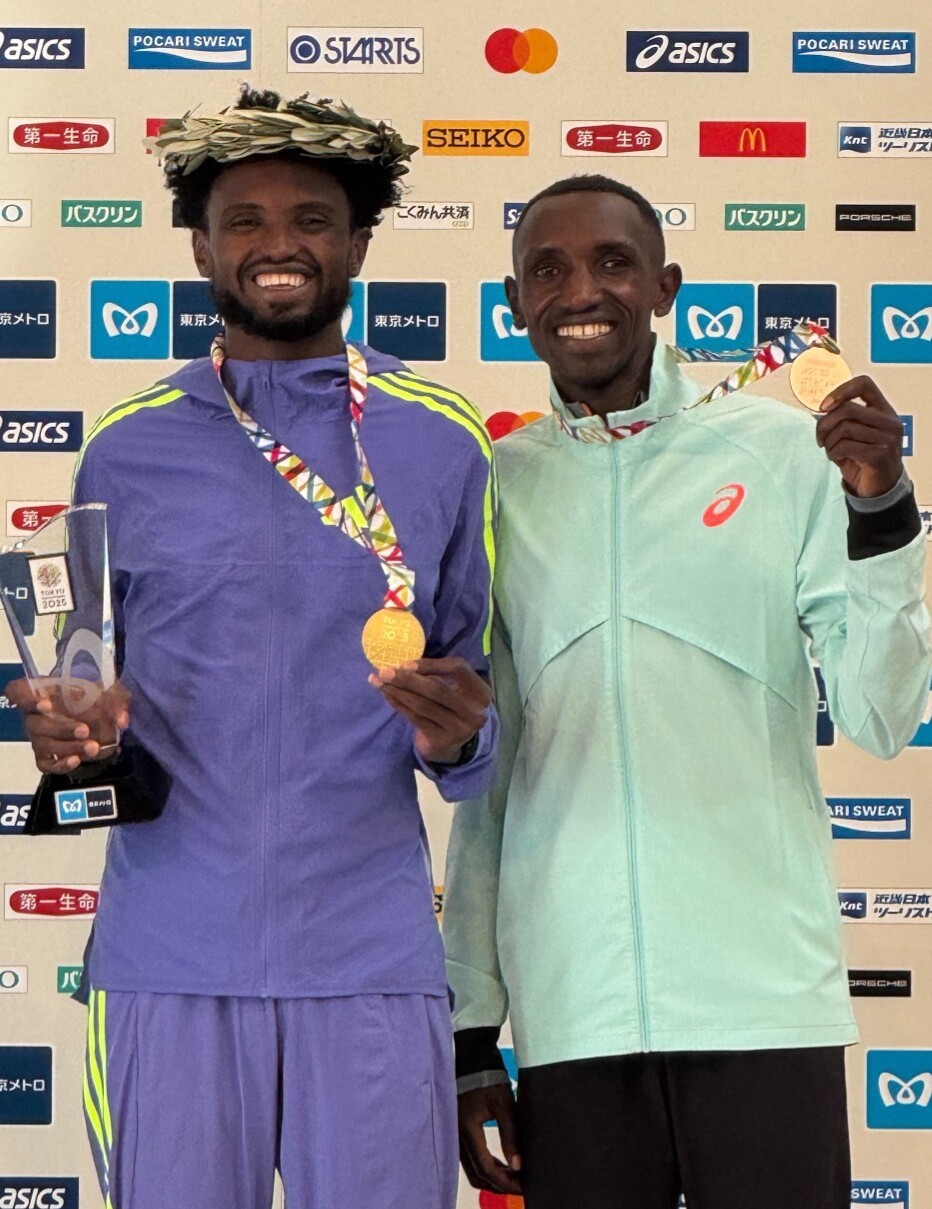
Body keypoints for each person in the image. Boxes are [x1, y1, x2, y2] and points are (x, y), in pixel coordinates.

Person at [7, 87, 496, 1209]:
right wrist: (72, 741)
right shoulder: (124, 448)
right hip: (169, 959)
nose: (280, 245)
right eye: (246, 221)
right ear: (201, 248)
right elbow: (80, 709)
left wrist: (461, 737)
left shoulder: (443, 439)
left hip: (369, 963)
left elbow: (484, 716)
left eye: (313, 219)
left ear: (359, 242)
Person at [442, 174, 931, 1209]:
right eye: (548, 270)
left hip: (765, 1003)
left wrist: (883, 512)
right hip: (574, 1010)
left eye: (613, 263)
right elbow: (491, 779)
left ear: (664, 287)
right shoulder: (495, 485)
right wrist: (472, 1031)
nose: (583, 291)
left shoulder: (781, 454)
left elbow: (884, 717)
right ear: (514, 302)